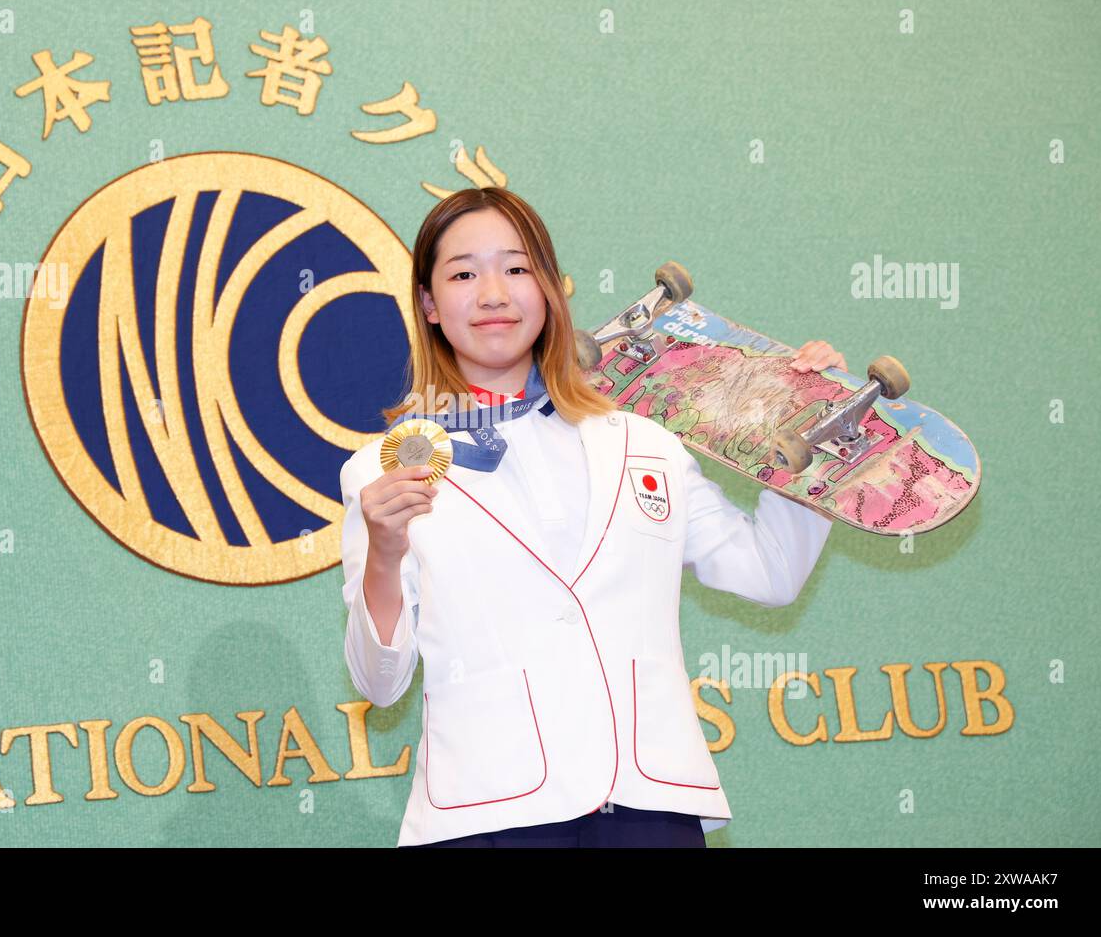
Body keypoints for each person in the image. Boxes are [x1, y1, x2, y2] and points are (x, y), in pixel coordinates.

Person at [339, 187, 846, 848]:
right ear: (430, 305)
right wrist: (383, 552)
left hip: (648, 807)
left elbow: (771, 574)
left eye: (517, 269)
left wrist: (810, 441)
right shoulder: (385, 468)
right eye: (464, 273)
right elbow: (380, 683)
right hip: (487, 814)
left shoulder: (645, 442)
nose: (493, 293)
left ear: (549, 290)